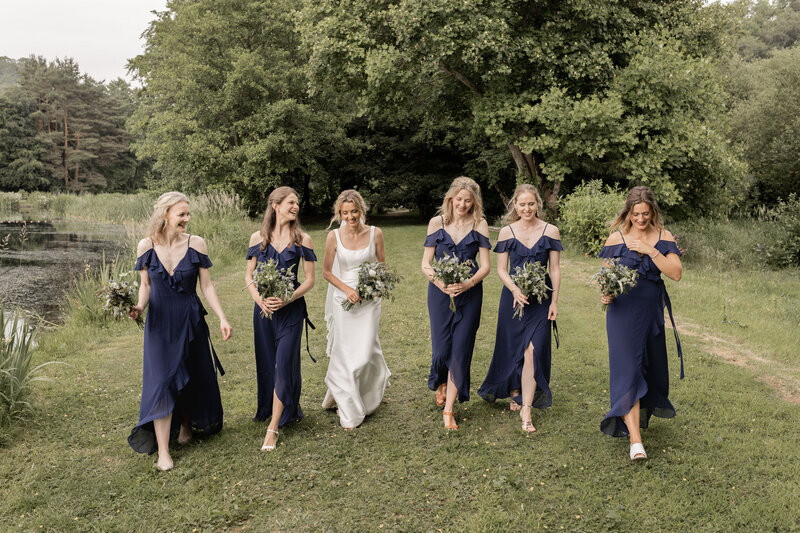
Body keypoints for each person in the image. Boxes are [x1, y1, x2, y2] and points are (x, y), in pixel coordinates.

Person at [129, 192, 232, 471]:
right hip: (160, 324)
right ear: (165, 214)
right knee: (161, 381)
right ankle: (163, 451)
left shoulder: (196, 244)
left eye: (188, 214)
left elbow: (206, 286)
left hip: (190, 319)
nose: (187, 219)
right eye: (181, 214)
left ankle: (186, 424)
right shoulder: (145, 246)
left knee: (190, 374)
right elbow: (146, 285)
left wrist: (222, 317)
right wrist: (138, 307)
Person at [598, 186, 683, 460]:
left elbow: (676, 273)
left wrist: (649, 250)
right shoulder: (617, 238)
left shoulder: (663, 237)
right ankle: (636, 440)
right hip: (622, 314)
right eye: (636, 214)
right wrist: (606, 292)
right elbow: (606, 276)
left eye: (646, 213)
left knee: (649, 366)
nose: (641, 219)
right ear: (629, 213)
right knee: (628, 368)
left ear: (653, 212)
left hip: (650, 313)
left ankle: (633, 418)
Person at [478, 184, 561, 433]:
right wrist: (515, 289)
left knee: (533, 351)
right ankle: (514, 388)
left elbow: (554, 269)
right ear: (515, 205)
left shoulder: (551, 231)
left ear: (538, 205)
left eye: (531, 204)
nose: (527, 208)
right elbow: (501, 269)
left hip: (541, 300)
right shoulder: (506, 232)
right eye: (522, 204)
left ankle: (526, 407)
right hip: (513, 298)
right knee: (514, 345)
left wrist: (554, 300)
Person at [245, 186, 316, 451]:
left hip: (291, 310)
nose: (295, 206)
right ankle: (278, 407)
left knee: (283, 364)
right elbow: (249, 276)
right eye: (290, 202)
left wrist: (287, 298)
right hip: (263, 312)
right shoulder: (258, 238)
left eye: (297, 203)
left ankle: (273, 428)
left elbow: (309, 280)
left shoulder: (302, 240)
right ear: (275, 206)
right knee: (267, 363)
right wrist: (260, 300)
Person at [421, 177, 491, 430]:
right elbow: (425, 263)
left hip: (469, 295)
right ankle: (440, 381)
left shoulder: (479, 224)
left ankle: (449, 408)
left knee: (460, 350)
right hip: (439, 294)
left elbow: (485, 267)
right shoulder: (436, 223)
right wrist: (441, 283)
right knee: (441, 350)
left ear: (474, 202)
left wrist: (467, 284)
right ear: (450, 198)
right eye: (458, 199)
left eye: (467, 200)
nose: (462, 204)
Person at [322, 189, 391, 429]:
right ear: (339, 213)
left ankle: (366, 396)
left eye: (354, 211)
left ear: (361, 210)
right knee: (345, 351)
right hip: (344, 300)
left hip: (370, 300)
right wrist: (347, 290)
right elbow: (327, 272)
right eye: (345, 213)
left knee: (364, 352)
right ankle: (348, 406)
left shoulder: (375, 233)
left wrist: (374, 289)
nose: (350, 217)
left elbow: (382, 267)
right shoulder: (334, 237)